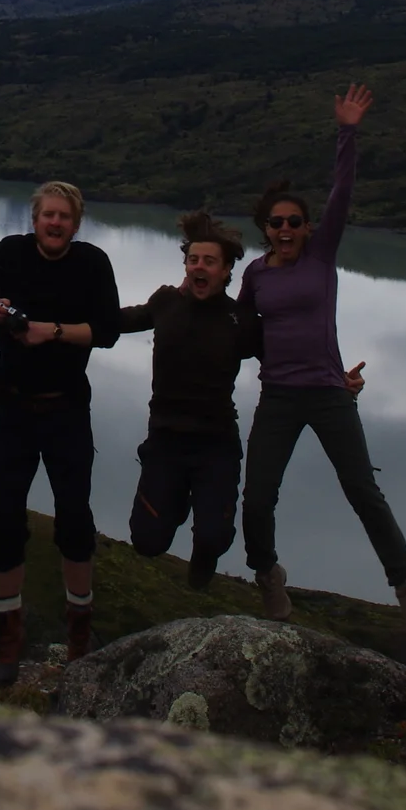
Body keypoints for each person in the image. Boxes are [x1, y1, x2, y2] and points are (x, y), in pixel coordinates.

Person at [239, 83, 406, 635]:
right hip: (277, 396)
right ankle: (267, 575)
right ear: (266, 229)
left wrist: (347, 131)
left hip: (327, 394)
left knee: (363, 493)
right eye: (275, 224)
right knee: (256, 499)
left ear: (307, 230)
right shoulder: (255, 275)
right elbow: (242, 332)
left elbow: (342, 193)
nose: (284, 230)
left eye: (293, 223)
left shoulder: (322, 256)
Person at [0, 180, 121, 687]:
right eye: (47, 215)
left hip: (67, 409)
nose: (55, 223)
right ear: (35, 219)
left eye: (64, 217)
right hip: (12, 411)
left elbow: (108, 330)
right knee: (4, 521)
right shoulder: (10, 253)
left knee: (74, 519)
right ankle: (9, 632)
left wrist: (50, 330)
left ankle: (78, 631)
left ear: (76, 223)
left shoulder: (92, 263)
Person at [115, 211, 262, 589]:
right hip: (165, 440)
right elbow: (121, 320)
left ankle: (204, 553)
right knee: (147, 542)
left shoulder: (240, 319)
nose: (199, 266)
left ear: (227, 270)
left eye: (209, 261)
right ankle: (175, 502)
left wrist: (334, 378)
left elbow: (285, 360)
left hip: (216, 444)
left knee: (214, 538)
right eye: (193, 260)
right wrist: (58, 322)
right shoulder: (167, 301)